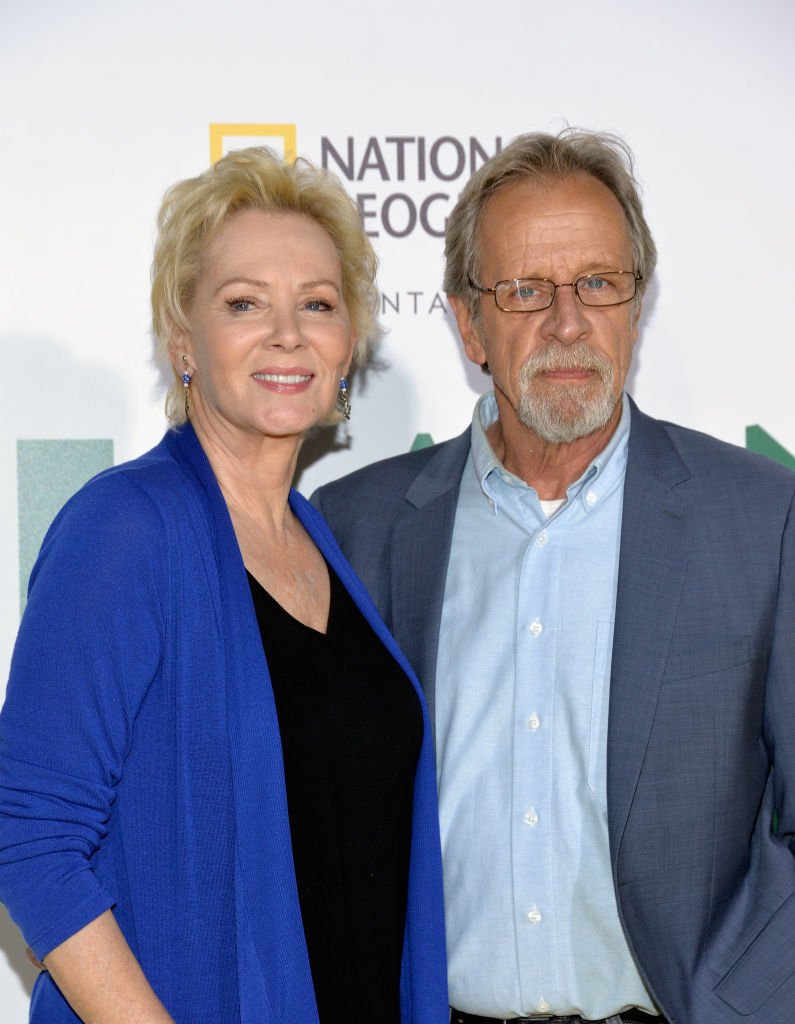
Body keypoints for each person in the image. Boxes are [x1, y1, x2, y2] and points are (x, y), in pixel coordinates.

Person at [312, 129, 795, 1024]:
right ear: (468, 323)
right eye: (525, 290)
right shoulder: (355, 529)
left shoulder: (763, 521)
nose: (566, 323)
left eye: (598, 284)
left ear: (635, 307)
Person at [0, 147, 447, 1024]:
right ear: (183, 341)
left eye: (316, 304)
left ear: (347, 343)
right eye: (244, 303)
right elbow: (29, 832)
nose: (287, 333)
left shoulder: (323, 543)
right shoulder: (125, 529)